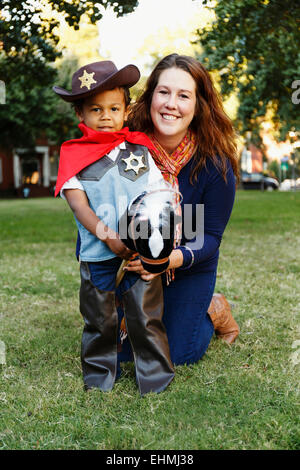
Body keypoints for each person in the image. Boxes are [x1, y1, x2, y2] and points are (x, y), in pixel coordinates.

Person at [52, 60, 175, 395]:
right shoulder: (74, 155)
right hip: (97, 252)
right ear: (80, 114)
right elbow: (79, 204)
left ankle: (154, 379)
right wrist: (109, 237)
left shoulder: (140, 149)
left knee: (145, 314)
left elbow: (157, 193)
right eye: (96, 109)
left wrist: (157, 237)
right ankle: (98, 377)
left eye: (113, 108)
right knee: (100, 318)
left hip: (139, 251)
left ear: (125, 110)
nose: (106, 116)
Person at [120, 53, 240, 366]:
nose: (171, 104)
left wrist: (165, 260)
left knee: (175, 353)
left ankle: (213, 309)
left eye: (183, 95)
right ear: (151, 97)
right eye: (164, 92)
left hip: (187, 265)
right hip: (134, 262)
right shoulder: (126, 152)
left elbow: (210, 236)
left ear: (198, 105)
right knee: (122, 351)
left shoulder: (215, 165)